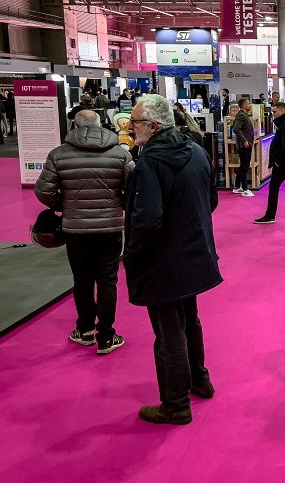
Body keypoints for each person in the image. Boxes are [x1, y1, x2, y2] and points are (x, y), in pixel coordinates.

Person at [124, 94, 221, 425]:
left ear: (153, 126)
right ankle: (199, 379)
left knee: (169, 333)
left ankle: (176, 404)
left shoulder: (148, 163)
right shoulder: (196, 151)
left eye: (135, 122)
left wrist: (132, 254)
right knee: (189, 320)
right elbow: (211, 200)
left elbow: (147, 220)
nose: (131, 127)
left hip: (163, 262)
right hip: (193, 254)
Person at [35, 109, 133, 354]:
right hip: (110, 227)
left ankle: (85, 329)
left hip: (76, 229)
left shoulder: (58, 154)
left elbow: (43, 191)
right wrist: (118, 204)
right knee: (108, 281)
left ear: (75, 126)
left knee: (82, 279)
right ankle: (107, 336)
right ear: (101, 124)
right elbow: (134, 188)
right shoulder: (120, 153)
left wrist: (64, 205)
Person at [254, 101, 285, 224]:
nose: (273, 114)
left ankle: (270, 215)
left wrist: (278, 161)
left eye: (275, 112)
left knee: (274, 187)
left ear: (282, 111)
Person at [232, 98, 255, 196]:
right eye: (248, 103)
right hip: (244, 145)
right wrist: (244, 140)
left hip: (246, 144)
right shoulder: (241, 115)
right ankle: (245, 189)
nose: (250, 105)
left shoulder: (243, 115)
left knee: (243, 165)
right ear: (244, 105)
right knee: (245, 166)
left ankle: (237, 186)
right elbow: (236, 128)